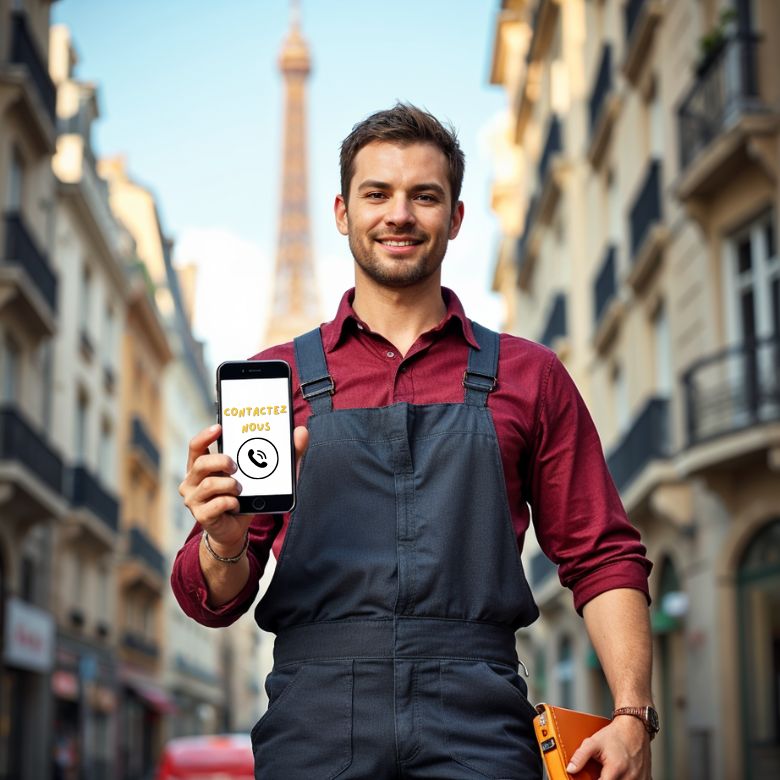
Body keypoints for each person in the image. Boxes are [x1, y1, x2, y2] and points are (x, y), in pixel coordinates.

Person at [173, 103, 656, 779]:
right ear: (343, 212)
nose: (398, 214)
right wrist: (223, 542)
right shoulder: (277, 380)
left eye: (424, 196)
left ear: (455, 217)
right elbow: (213, 600)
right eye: (377, 194)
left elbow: (601, 553)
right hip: (313, 723)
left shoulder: (529, 376)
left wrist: (633, 715)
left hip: (481, 720)